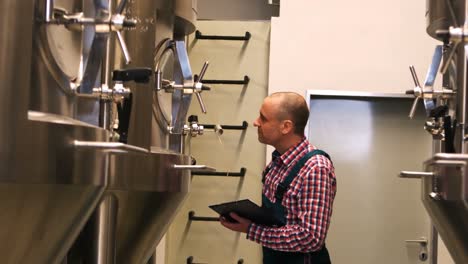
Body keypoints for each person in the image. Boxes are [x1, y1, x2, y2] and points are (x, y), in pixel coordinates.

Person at [220, 92, 337, 264]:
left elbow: (311, 238)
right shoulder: (276, 163)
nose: (255, 122)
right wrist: (246, 217)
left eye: (263, 118)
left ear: (286, 127)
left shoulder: (315, 168)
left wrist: (252, 230)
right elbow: (279, 220)